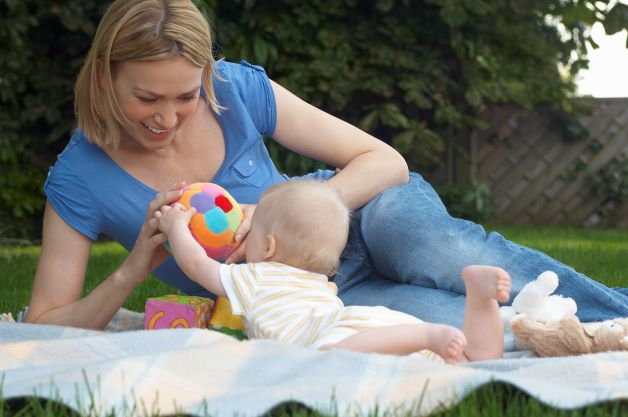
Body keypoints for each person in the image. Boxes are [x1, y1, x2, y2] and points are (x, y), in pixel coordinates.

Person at [26, 0, 627, 331]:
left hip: (364, 215)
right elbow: (46, 320)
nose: (168, 117)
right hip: (316, 297)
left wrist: (291, 209)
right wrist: (135, 267)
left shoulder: (236, 89)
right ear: (104, 76)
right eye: (146, 98)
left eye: (186, 96)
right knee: (479, 323)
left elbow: (384, 161)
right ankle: (604, 325)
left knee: (432, 245)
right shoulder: (80, 178)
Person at [154, 180, 512, 364]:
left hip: (334, 336)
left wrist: (177, 227)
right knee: (472, 362)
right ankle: (479, 298)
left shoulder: (254, 277)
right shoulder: (318, 281)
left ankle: (426, 335)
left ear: (267, 248)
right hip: (375, 325)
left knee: (332, 362)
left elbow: (196, 264)